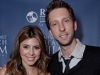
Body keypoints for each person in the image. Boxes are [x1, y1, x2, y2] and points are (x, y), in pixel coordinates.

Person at [45, 0, 100, 75]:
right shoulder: (48, 64)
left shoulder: (97, 57)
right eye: (55, 24)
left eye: (66, 21)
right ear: (51, 32)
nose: (61, 28)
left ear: (75, 25)